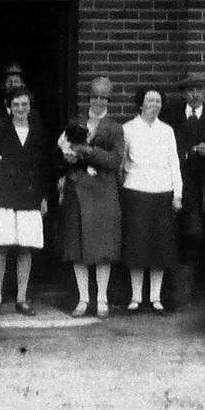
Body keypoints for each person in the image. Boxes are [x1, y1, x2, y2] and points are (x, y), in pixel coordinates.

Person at [56, 76, 124, 316]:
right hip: (77, 187)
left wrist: (88, 151)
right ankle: (83, 300)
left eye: (103, 97)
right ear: (89, 98)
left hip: (104, 190)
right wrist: (68, 156)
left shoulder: (115, 128)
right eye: (94, 96)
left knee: (102, 248)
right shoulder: (75, 123)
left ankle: (102, 299)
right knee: (78, 246)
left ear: (109, 100)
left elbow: (115, 160)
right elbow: (63, 149)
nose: (98, 100)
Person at [0, 87, 53, 316]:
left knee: (26, 249)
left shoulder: (39, 132)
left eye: (24, 104)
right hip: (2, 195)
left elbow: (44, 167)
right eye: (16, 105)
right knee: (0, 248)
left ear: (29, 106)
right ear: (9, 107)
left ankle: (22, 299)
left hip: (30, 196)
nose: (20, 109)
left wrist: (43, 196)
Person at [119, 87, 182, 312]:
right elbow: (121, 162)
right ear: (140, 104)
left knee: (160, 248)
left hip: (162, 194)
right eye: (150, 101)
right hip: (135, 193)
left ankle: (155, 297)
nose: (154, 105)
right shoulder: (127, 129)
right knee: (137, 247)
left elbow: (174, 162)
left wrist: (178, 194)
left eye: (158, 101)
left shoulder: (167, 131)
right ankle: (136, 297)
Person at [165, 71, 205, 281]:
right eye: (191, 91)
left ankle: (197, 281)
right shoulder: (172, 113)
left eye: (199, 91)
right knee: (177, 230)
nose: (195, 95)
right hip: (176, 178)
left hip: (202, 182)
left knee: (198, 232)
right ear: (184, 94)